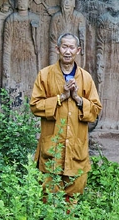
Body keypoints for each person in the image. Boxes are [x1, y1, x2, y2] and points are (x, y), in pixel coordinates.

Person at [29, 33, 103, 204]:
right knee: (47, 195)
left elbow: (95, 110)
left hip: (76, 149)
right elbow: (35, 105)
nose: (67, 51)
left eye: (71, 47)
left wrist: (77, 98)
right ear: (57, 49)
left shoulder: (86, 78)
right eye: (64, 47)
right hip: (52, 148)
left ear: (78, 50)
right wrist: (60, 97)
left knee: (74, 192)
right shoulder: (45, 75)